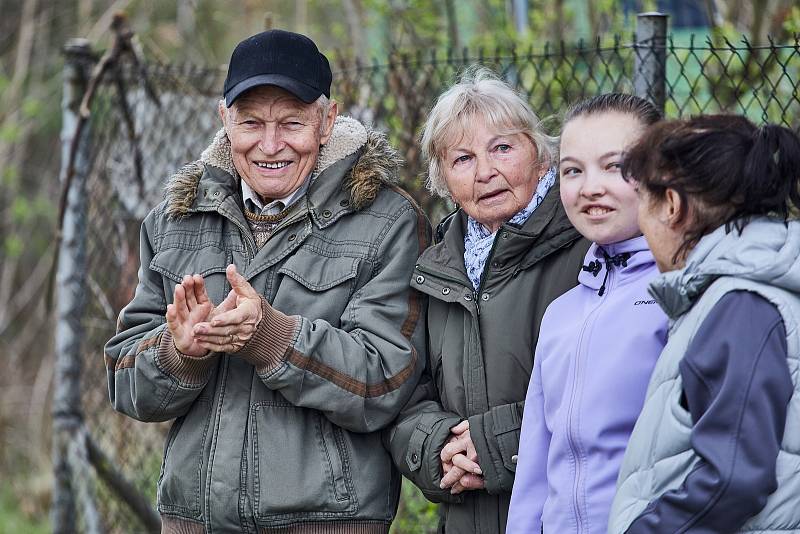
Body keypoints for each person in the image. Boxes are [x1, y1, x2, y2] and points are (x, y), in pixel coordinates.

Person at [104, 29, 429, 534]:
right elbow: (124, 382)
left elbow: (385, 382)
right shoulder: (174, 221)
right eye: (251, 122)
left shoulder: (387, 221)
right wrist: (179, 352)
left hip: (327, 522)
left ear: (327, 121)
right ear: (224, 121)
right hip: (194, 522)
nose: (270, 144)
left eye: (292, 123)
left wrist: (272, 339)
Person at [386, 67, 590, 534]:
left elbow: (606, 393)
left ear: (540, 154)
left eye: (502, 148)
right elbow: (404, 394)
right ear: (442, 179)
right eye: (462, 159)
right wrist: (439, 447)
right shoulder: (435, 268)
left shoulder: (586, 243)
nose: (486, 172)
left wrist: (494, 443)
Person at [607, 114, 800, 533]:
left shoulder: (741, 305)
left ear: (672, 206)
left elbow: (733, 476)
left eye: (643, 198)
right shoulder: (746, 289)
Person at [505, 94, 668, 534]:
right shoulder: (562, 313)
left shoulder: (682, 296)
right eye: (573, 170)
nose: (590, 187)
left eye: (615, 166)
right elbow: (535, 466)